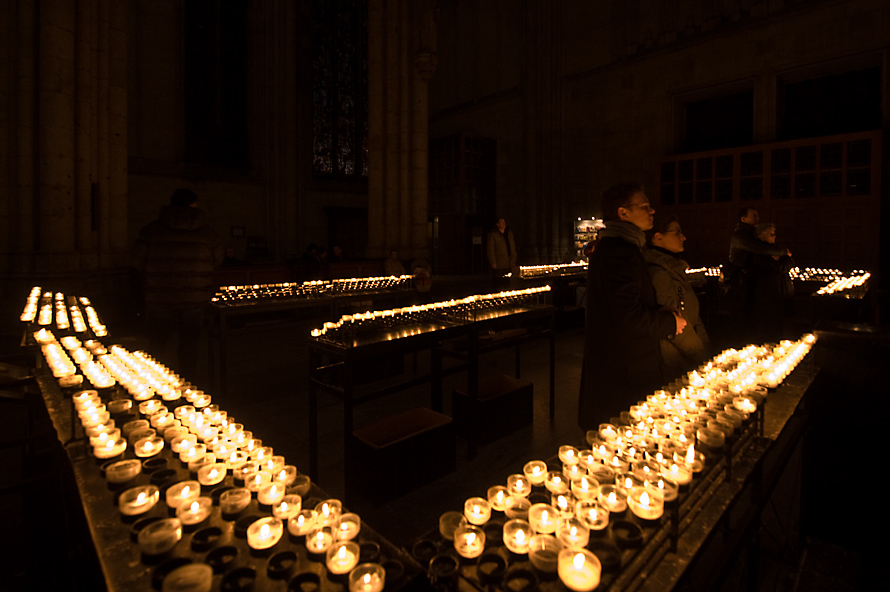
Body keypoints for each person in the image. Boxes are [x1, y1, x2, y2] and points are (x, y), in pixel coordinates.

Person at [578, 183, 686, 431]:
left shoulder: (623, 248)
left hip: (620, 364)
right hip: (622, 371)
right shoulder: (620, 252)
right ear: (623, 213)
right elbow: (627, 317)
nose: (652, 211)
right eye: (645, 206)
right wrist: (671, 323)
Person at [133, 188, 224, 381]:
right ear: (193, 204)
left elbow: (137, 261)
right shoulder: (208, 233)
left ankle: (153, 384)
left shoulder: (151, 231)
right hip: (194, 298)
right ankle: (187, 383)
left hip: (160, 297)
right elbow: (218, 260)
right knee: (189, 345)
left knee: (157, 343)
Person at [643, 214, 710, 383]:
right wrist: (700, 353)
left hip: (687, 349)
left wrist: (703, 342)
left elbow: (691, 310)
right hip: (674, 357)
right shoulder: (660, 273)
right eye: (677, 233)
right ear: (658, 237)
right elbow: (673, 321)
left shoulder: (673, 270)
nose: (683, 237)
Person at [747, 223, 795, 343]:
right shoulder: (759, 253)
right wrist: (787, 258)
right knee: (768, 330)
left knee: (778, 328)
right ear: (760, 236)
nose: (774, 237)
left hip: (777, 295)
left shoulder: (774, 250)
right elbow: (777, 268)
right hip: (768, 296)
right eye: (771, 234)